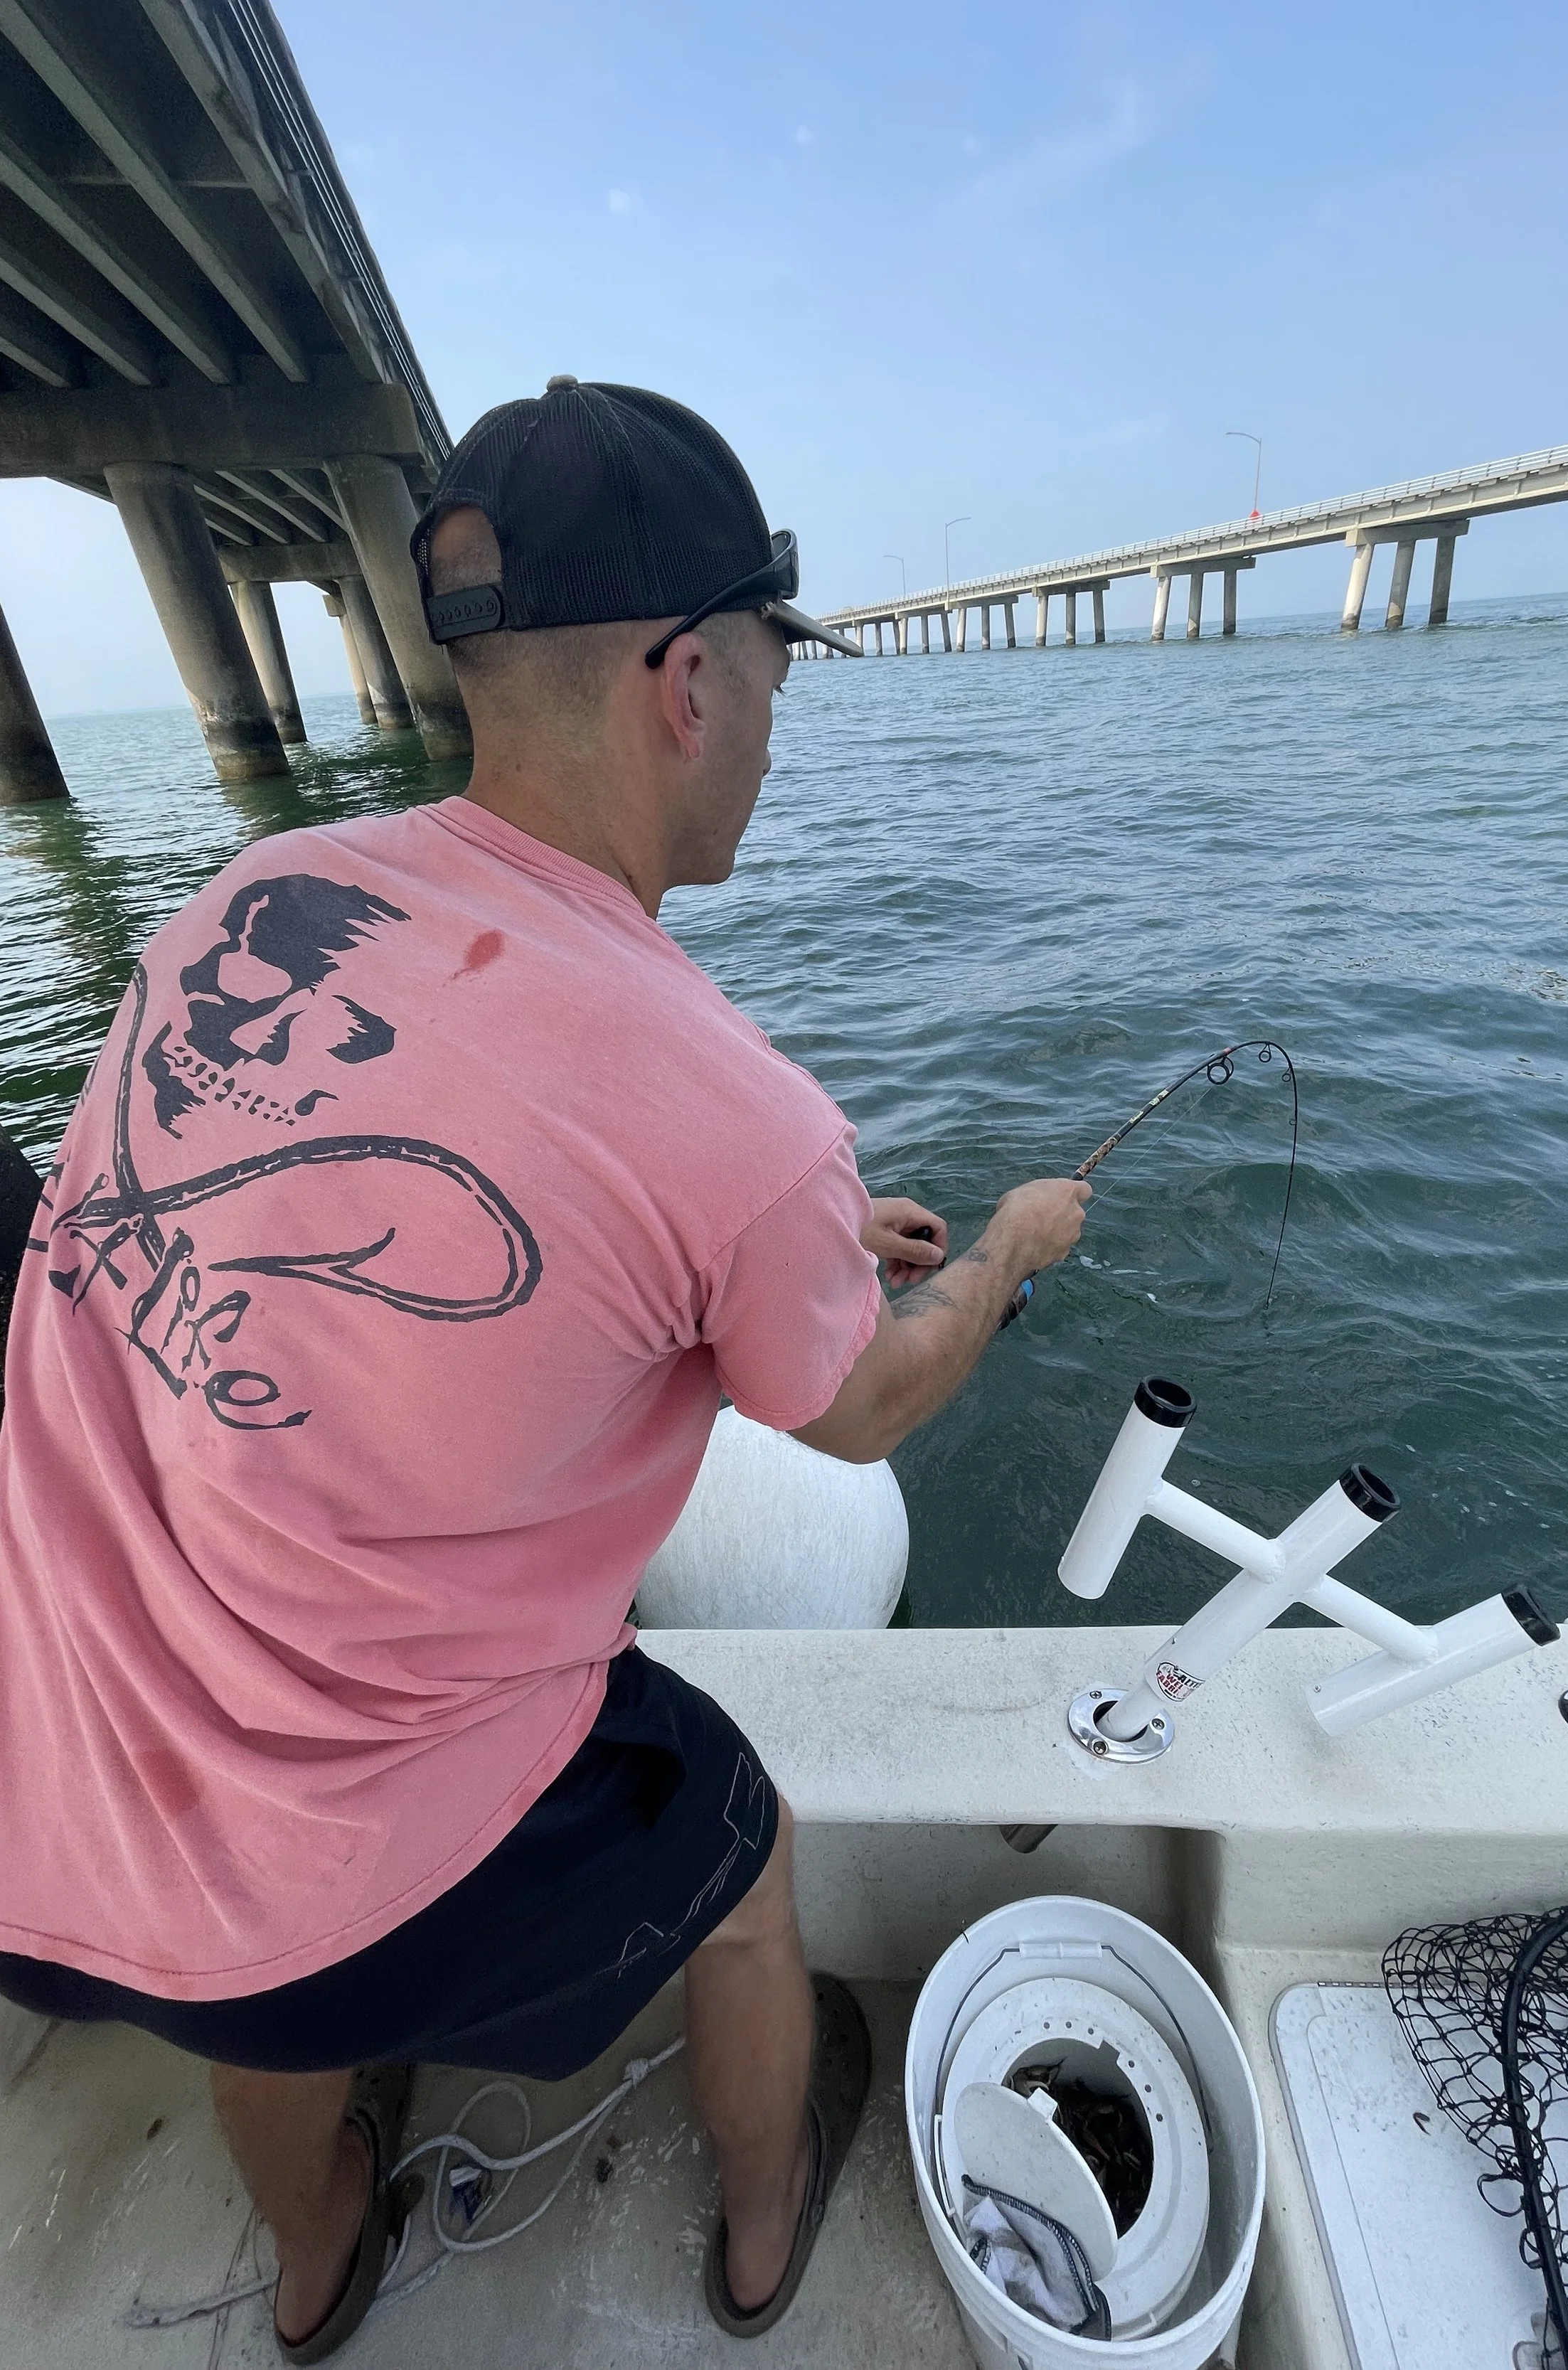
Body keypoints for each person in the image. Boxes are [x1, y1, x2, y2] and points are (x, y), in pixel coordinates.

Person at [0, 380, 1088, 2361]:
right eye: (770, 667)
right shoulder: (738, 1117)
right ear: (687, 679)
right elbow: (846, 1415)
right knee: (743, 1853)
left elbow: (424, 1195)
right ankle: (766, 2237)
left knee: (274, 1952)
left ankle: (317, 2257)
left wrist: (798, 1239)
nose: (770, 717)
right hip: (303, 1894)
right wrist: (1003, 1258)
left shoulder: (250, 909)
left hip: (55, 1803)